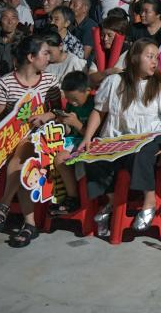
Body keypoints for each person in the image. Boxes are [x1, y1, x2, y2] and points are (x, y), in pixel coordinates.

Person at [81, 40, 161, 236]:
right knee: (91, 156)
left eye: (156, 57)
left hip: (151, 136)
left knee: (141, 153)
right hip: (118, 138)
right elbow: (99, 110)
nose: (154, 61)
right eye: (149, 57)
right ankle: (111, 201)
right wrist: (87, 137)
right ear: (134, 58)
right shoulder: (114, 82)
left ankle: (149, 201)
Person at [0, 35, 62, 247]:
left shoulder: (50, 80)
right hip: (13, 142)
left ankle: (3, 204)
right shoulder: (5, 84)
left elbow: (59, 111)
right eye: (45, 53)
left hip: (45, 140)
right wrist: (16, 118)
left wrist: (45, 116)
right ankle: (29, 224)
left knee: (24, 150)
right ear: (31, 57)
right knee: (23, 158)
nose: (49, 57)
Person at [47, 72, 95, 218]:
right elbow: (69, 131)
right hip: (73, 139)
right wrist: (65, 122)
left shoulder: (94, 105)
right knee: (49, 155)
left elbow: (93, 134)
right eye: (68, 99)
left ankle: (72, 198)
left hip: (89, 142)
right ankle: (57, 196)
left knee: (60, 159)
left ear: (87, 91)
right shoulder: (71, 105)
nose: (72, 103)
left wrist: (77, 123)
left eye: (75, 99)